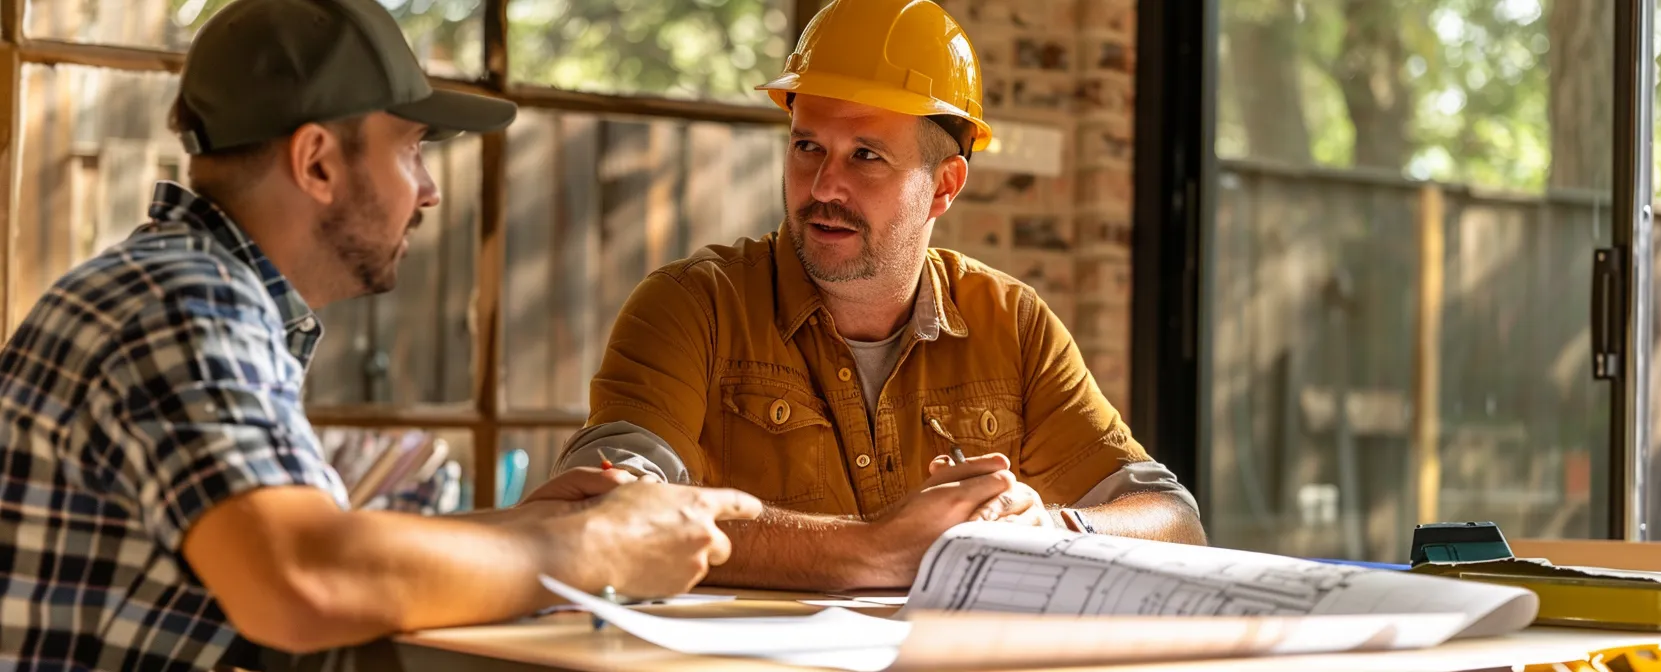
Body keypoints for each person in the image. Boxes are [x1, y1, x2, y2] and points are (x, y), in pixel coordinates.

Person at [0, 1, 762, 670]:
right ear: (318, 163)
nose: (428, 189)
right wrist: (598, 550)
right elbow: (303, 581)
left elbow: (308, 544)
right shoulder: (184, 304)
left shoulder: (193, 289)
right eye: (410, 148)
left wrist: (537, 521)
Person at [555, 0, 1205, 593]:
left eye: (866, 155)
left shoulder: (1014, 324)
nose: (824, 186)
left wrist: (1054, 534)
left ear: (945, 186)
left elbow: (1175, 519)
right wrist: (871, 550)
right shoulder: (691, 307)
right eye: (808, 146)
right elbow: (600, 508)